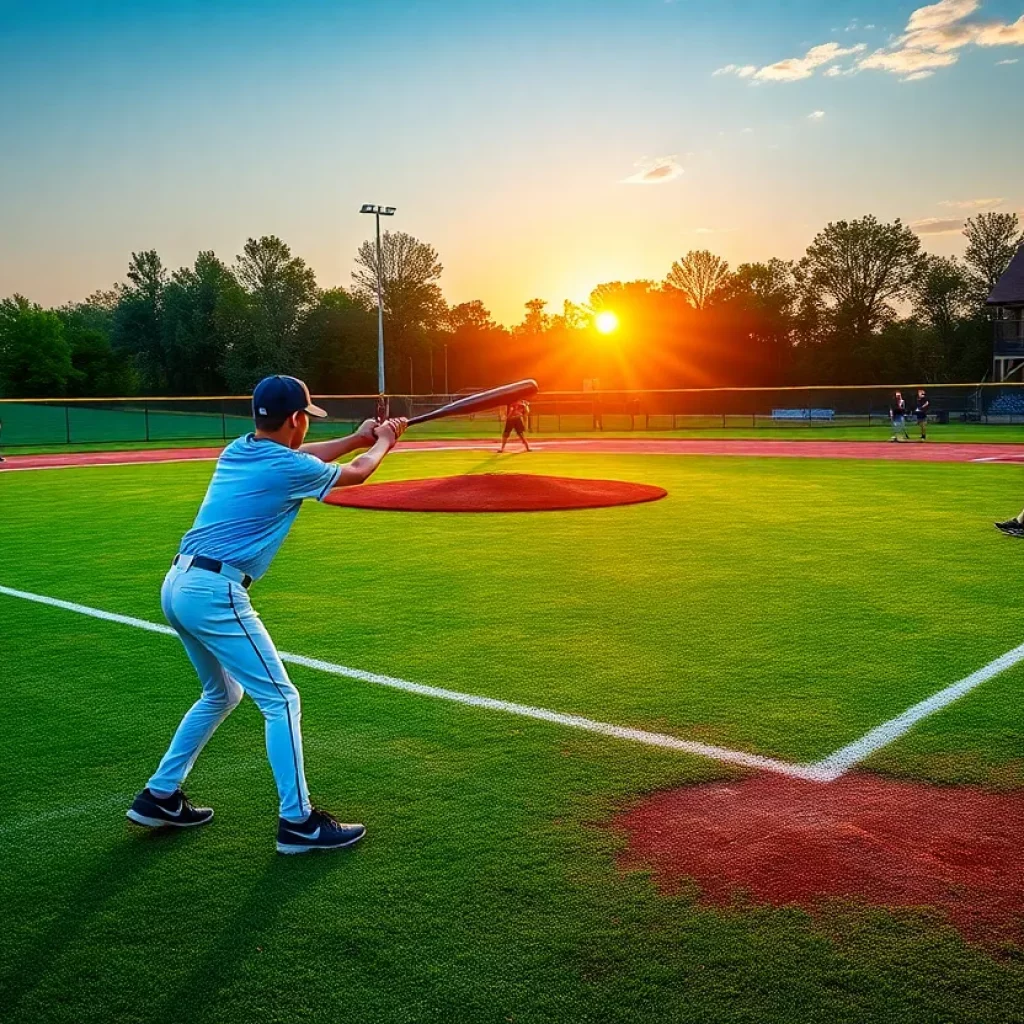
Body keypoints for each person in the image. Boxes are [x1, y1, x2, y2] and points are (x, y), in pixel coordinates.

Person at [126, 375, 407, 854]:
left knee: (221, 694)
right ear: (297, 419)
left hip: (178, 585)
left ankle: (160, 795)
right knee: (282, 699)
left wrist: (362, 436)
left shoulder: (240, 448)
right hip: (215, 591)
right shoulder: (285, 465)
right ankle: (298, 822)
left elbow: (306, 460)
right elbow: (357, 474)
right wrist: (381, 443)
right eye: (306, 418)